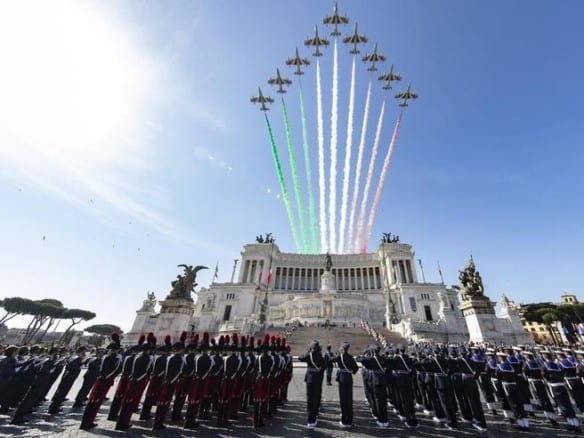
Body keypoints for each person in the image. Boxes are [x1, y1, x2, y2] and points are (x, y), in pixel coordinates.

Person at [298, 340, 324, 429]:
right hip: (317, 379)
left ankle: (309, 419)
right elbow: (323, 367)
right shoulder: (320, 356)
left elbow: (300, 357)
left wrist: (308, 352)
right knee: (315, 399)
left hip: (309, 379)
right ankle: (314, 418)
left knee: (309, 398)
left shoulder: (309, 355)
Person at [332, 342, 359, 428]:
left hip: (342, 379)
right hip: (349, 379)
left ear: (342, 349)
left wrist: (336, 355)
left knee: (343, 400)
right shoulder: (350, 357)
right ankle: (350, 420)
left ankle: (344, 420)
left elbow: (330, 360)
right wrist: (351, 371)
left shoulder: (339, 357)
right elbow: (356, 368)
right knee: (349, 399)